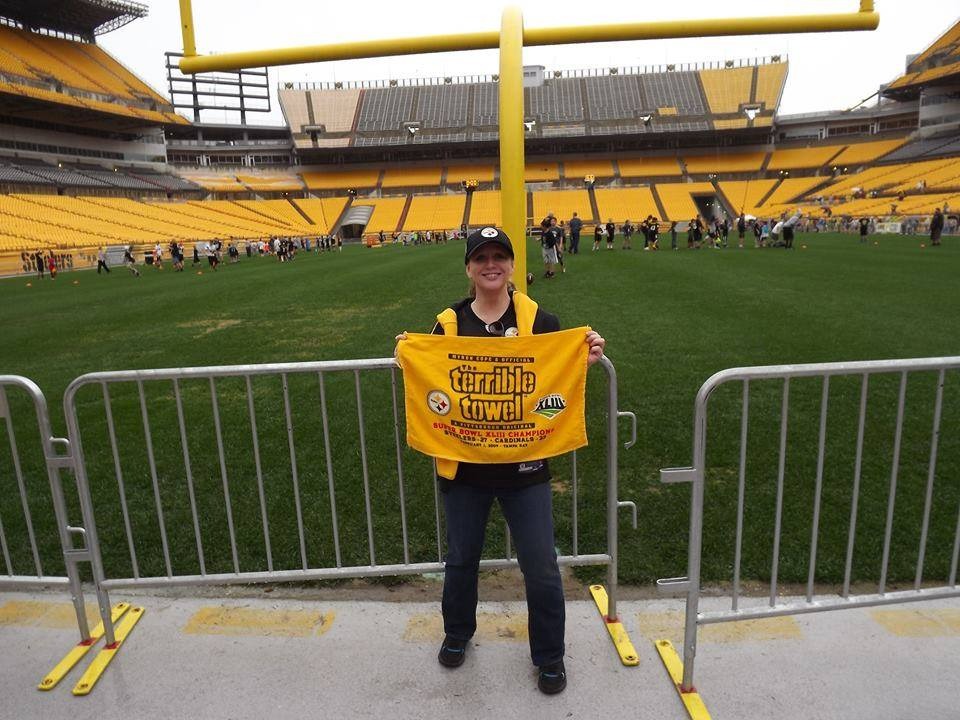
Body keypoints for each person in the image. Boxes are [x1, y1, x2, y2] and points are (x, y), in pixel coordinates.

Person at [396, 227, 605, 696]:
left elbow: (557, 372)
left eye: (499, 257)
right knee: (461, 559)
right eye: (481, 258)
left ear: (511, 265)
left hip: (525, 469)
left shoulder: (541, 321)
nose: (491, 265)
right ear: (469, 268)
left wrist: (585, 355)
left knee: (541, 565)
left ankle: (550, 655)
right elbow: (430, 371)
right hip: (464, 469)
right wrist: (407, 354)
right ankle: (457, 633)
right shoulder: (448, 323)